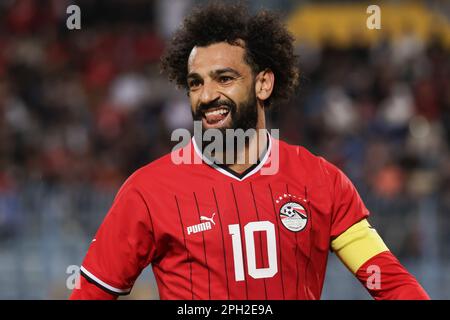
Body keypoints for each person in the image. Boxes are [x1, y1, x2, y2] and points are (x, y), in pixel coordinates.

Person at [70, 3, 429, 300]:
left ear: (263, 83)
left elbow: (391, 283)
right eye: (196, 83)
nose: (207, 95)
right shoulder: (146, 191)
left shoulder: (322, 181)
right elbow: (90, 293)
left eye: (224, 79)